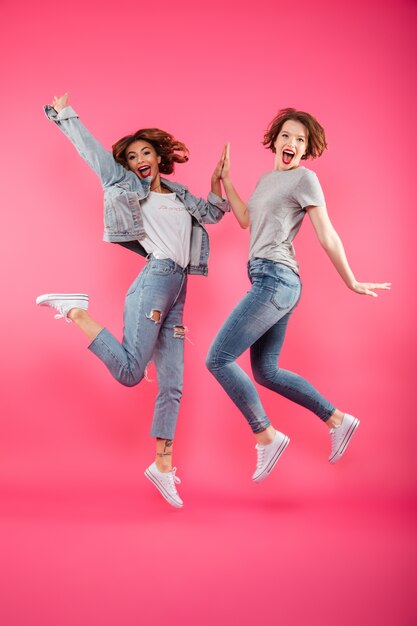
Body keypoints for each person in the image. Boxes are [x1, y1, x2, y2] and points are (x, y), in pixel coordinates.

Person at [37, 93, 229, 507]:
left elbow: (212, 215)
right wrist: (65, 115)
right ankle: (74, 309)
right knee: (130, 372)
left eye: (146, 152)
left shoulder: (178, 195)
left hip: (178, 288)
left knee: (173, 385)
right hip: (155, 280)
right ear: (126, 165)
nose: (139, 158)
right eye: (131, 155)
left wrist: (217, 183)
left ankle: (162, 466)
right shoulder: (122, 183)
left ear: (159, 158)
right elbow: (92, 152)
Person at [206, 108, 390, 483]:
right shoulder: (266, 179)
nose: (292, 144)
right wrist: (226, 180)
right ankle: (338, 420)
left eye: (301, 140)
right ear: (275, 141)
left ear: (307, 150)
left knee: (218, 359)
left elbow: (327, 234)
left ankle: (266, 437)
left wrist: (351, 281)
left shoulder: (305, 178)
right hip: (268, 279)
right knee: (266, 371)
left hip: (276, 279)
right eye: (287, 136)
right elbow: (246, 220)